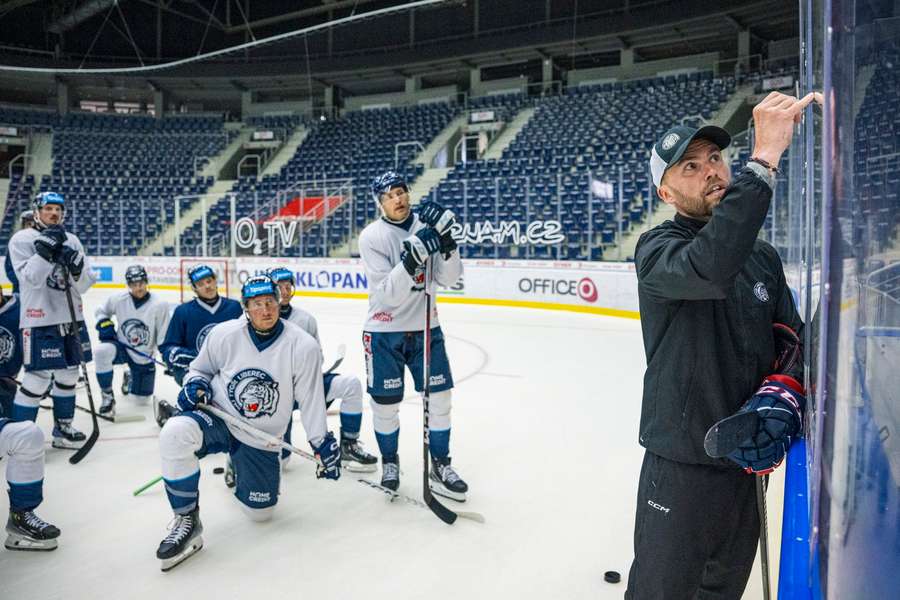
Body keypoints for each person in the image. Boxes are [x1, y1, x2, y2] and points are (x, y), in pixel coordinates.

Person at [624, 91, 816, 599]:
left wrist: (786, 395)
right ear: (666, 194)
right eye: (689, 167)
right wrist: (763, 162)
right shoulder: (657, 251)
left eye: (714, 158)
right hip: (681, 467)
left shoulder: (764, 258)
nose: (710, 170)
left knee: (723, 590)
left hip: (745, 469)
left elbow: (790, 342)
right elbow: (710, 265)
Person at [154, 275, 337, 571]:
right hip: (218, 417)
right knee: (175, 434)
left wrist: (321, 443)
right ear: (245, 308)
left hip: (260, 436)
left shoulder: (302, 346)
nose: (265, 310)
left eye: (270, 303)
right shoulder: (224, 334)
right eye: (257, 305)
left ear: (278, 303)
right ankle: (187, 519)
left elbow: (312, 400)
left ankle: (235, 462)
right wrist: (195, 383)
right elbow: (200, 369)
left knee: (260, 514)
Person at [358, 170, 467, 501]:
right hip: (383, 331)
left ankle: (441, 464)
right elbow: (388, 295)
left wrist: (447, 245)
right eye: (390, 195)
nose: (398, 199)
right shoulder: (371, 237)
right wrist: (411, 257)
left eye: (401, 192)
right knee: (385, 405)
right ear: (381, 203)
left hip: (425, 327)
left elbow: (450, 279)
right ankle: (390, 463)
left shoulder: (427, 226)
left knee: (441, 399)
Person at [7, 191, 96, 449]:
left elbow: (85, 285)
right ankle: (20, 437)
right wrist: (46, 251)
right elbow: (30, 279)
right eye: (48, 209)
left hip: (72, 318)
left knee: (69, 375)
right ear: (37, 211)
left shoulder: (73, 240)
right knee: (37, 378)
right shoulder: (22, 239)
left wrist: (78, 269)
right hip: (39, 319)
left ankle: (63, 429)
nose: (54, 213)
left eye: (58, 209)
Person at [267, 266, 377, 472]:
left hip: (305, 387)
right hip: (276, 395)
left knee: (350, 385)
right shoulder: (261, 319)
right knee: (281, 462)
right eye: (279, 286)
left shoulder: (306, 319)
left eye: (288, 285)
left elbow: (317, 354)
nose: (284, 290)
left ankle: (348, 446)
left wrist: (311, 372)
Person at [157, 264, 241, 426]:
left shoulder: (234, 307)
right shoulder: (183, 311)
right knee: (203, 398)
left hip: (228, 367)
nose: (207, 286)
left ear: (216, 281)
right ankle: (174, 413)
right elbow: (167, 347)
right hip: (195, 370)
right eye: (201, 284)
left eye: (209, 281)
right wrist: (178, 354)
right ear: (194, 288)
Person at [93, 265, 171, 417]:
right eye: (134, 285)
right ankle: (107, 397)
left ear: (146, 282)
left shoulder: (159, 304)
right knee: (101, 352)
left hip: (143, 354)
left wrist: (168, 357)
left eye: (141, 283)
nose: (138, 288)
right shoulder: (118, 299)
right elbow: (101, 311)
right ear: (128, 285)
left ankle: (129, 377)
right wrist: (104, 323)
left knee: (141, 401)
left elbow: (163, 335)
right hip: (121, 347)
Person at [4, 211, 34, 295]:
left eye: (33, 224)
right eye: (28, 224)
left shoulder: (46, 243)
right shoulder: (16, 243)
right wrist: (21, 281)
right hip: (20, 290)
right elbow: (9, 269)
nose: (30, 227)